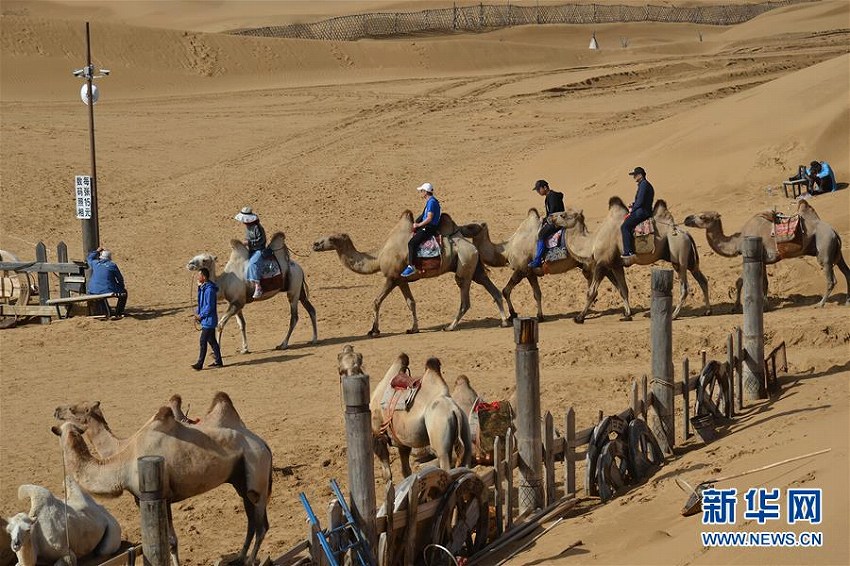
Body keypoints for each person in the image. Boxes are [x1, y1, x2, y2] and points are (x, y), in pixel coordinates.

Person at [401, 182, 441, 278]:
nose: (421, 193)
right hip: (427, 226)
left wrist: (419, 224)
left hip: (428, 228)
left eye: (421, 191)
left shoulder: (431, 202)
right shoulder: (431, 201)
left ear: (425, 192)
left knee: (411, 243)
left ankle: (411, 266)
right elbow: (423, 215)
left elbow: (429, 218)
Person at [528, 179, 566, 269]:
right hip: (555, 220)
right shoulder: (549, 197)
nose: (538, 192)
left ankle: (537, 261)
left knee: (540, 235)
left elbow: (553, 213)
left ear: (545, 187)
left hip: (557, 221)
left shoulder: (552, 196)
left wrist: (545, 220)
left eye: (538, 189)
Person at [621, 166, 655, 263]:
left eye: (635, 175)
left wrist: (632, 210)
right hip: (644, 210)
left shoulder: (643, 185)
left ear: (640, 175)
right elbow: (640, 201)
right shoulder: (644, 184)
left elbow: (640, 202)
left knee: (625, 227)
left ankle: (628, 252)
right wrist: (633, 204)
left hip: (642, 212)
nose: (634, 177)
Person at [192, 267, 223, 370]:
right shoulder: (204, 288)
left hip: (208, 321)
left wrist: (201, 315)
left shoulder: (209, 290)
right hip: (207, 320)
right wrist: (198, 313)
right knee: (212, 341)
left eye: (199, 275)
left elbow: (209, 306)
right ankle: (219, 361)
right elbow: (201, 303)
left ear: (204, 277)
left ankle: (200, 363)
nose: (198, 277)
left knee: (203, 341)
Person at [234, 206, 267, 299]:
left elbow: (261, 240)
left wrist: (248, 242)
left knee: (252, 264)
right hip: (252, 250)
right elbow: (248, 238)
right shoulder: (248, 227)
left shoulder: (258, 227)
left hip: (259, 250)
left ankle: (258, 287)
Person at [86, 246, 127, 318]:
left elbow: (89, 258)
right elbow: (119, 278)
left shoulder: (95, 264)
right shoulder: (112, 265)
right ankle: (119, 312)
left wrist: (97, 251)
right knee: (124, 293)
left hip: (93, 290)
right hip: (107, 289)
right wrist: (121, 286)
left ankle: (106, 311)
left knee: (100, 294)